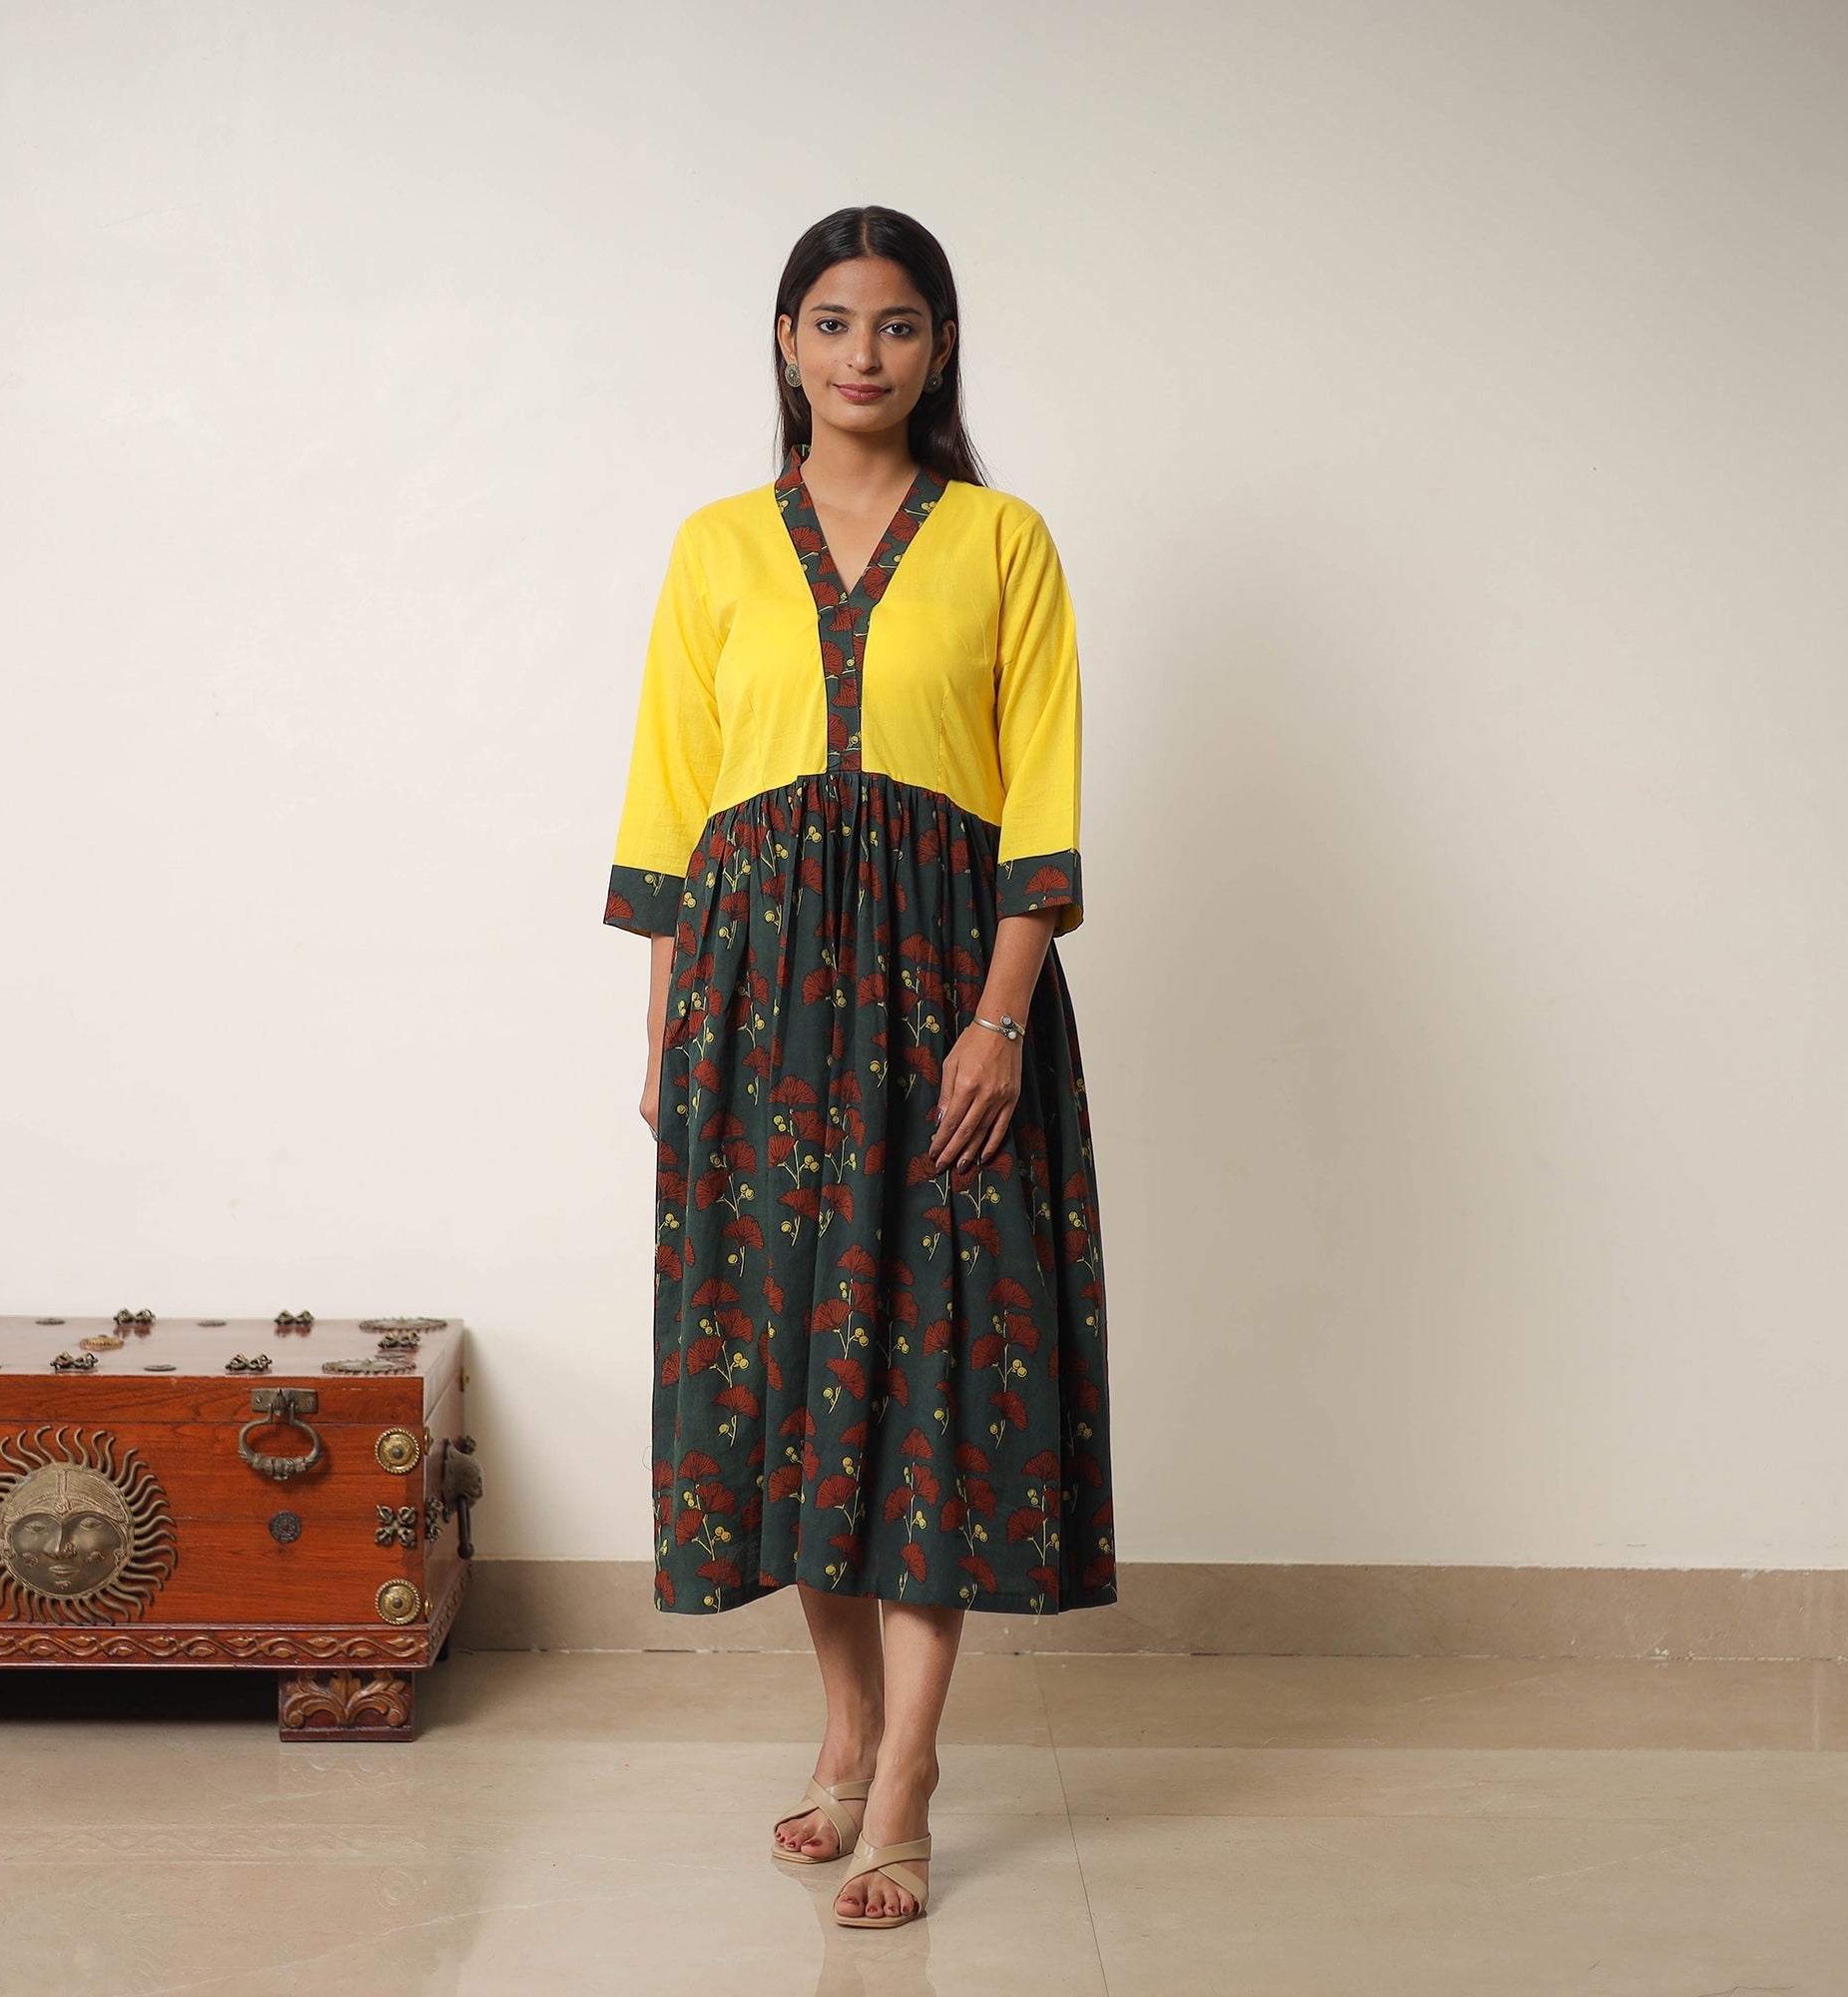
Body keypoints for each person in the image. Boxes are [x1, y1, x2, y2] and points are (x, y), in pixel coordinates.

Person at [602, 204, 1116, 1931]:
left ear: (940, 346)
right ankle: (842, 1728)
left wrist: (1001, 1016)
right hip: (752, 1003)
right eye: (830, 323)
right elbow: (672, 803)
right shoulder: (712, 548)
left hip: (943, 995)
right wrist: (666, 1032)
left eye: (896, 324)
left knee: (931, 1374)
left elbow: (1039, 788)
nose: (862, 355)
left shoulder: (1005, 541)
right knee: (789, 1368)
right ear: (785, 342)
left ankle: (906, 1777)